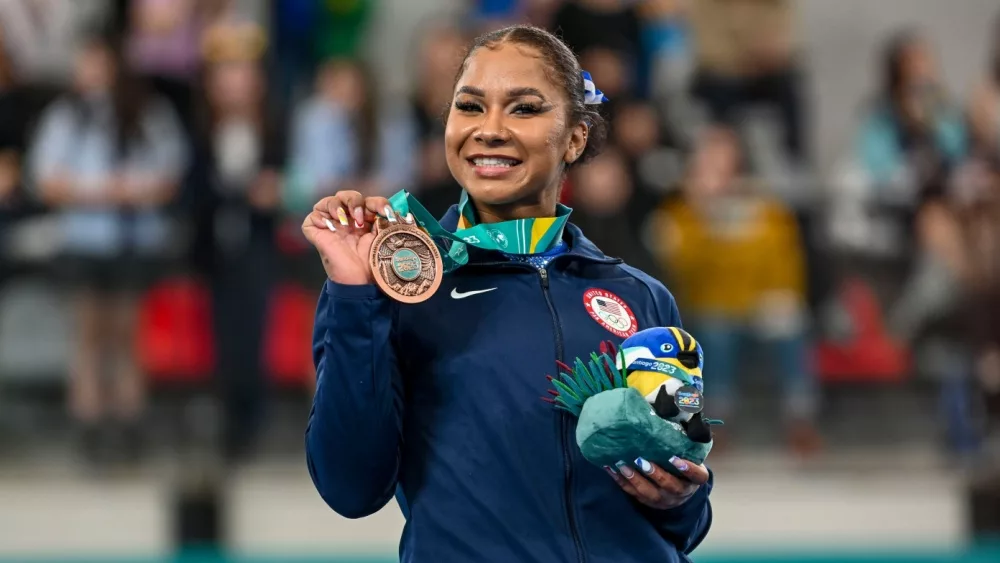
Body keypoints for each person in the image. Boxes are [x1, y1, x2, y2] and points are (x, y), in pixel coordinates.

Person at [302, 24, 713, 563]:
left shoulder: (640, 296)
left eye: (523, 109)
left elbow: (686, 519)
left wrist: (683, 495)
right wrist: (354, 297)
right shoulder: (394, 289)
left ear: (575, 137)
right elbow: (350, 488)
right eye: (469, 107)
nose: (489, 129)